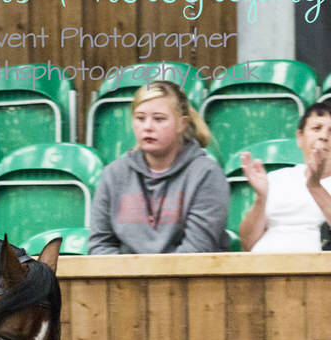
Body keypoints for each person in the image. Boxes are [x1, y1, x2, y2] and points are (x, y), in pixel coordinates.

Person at [88, 80, 229, 254]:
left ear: (181, 124)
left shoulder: (207, 174)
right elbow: (99, 245)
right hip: (124, 279)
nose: (147, 127)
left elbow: (197, 250)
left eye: (159, 119)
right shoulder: (113, 174)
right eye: (140, 118)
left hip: (188, 279)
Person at [238, 103, 331, 253]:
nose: (324, 136)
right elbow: (247, 243)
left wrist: (315, 187)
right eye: (316, 128)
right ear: (300, 137)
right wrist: (261, 198)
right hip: (262, 269)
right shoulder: (277, 178)